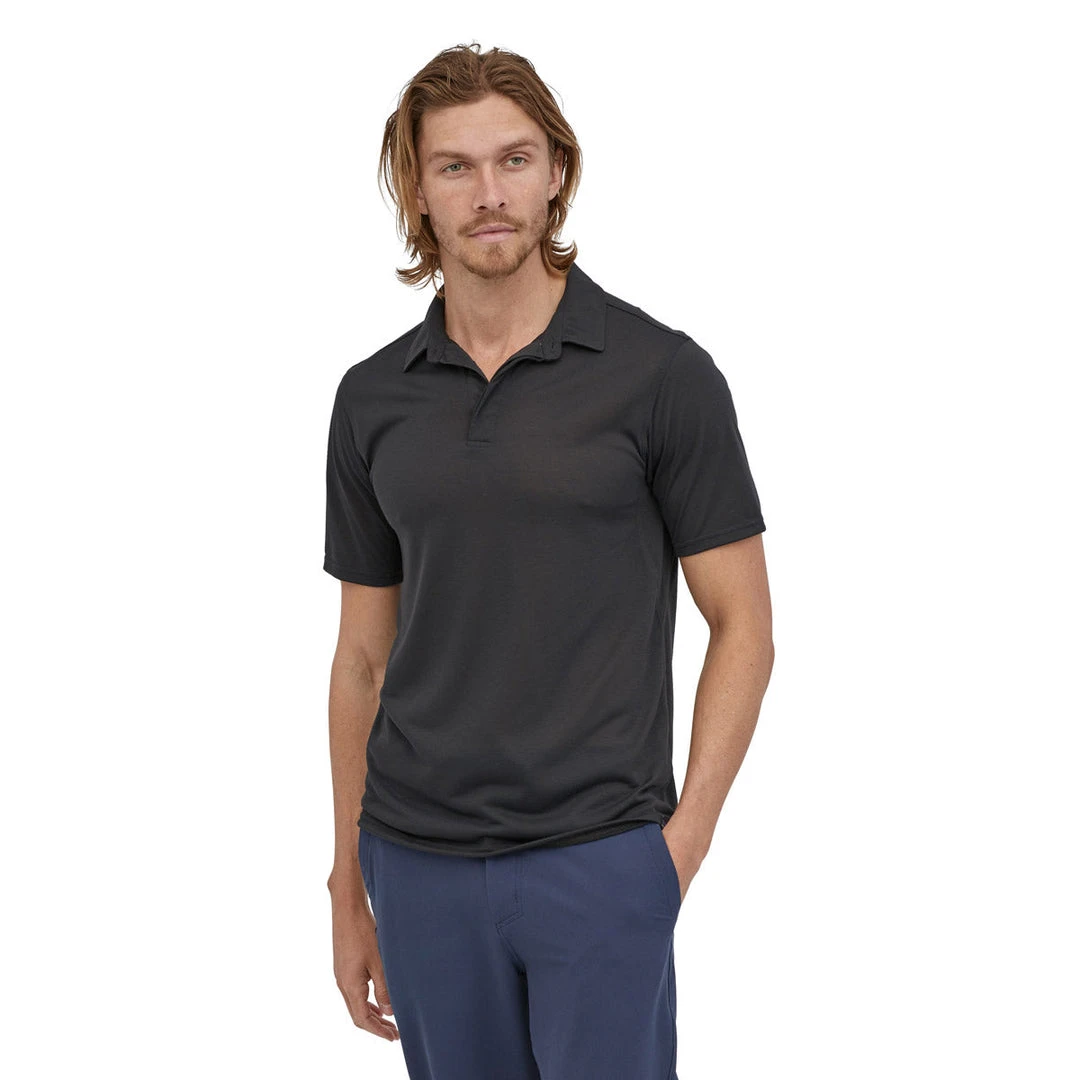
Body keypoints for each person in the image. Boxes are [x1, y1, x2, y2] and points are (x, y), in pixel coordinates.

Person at [323, 42, 774, 1080]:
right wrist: (349, 881)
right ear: (416, 190)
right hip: (418, 863)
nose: (489, 193)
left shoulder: (662, 375)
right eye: (455, 166)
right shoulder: (371, 399)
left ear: (557, 171)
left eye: (515, 160)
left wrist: (678, 849)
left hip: (600, 856)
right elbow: (361, 659)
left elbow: (744, 625)